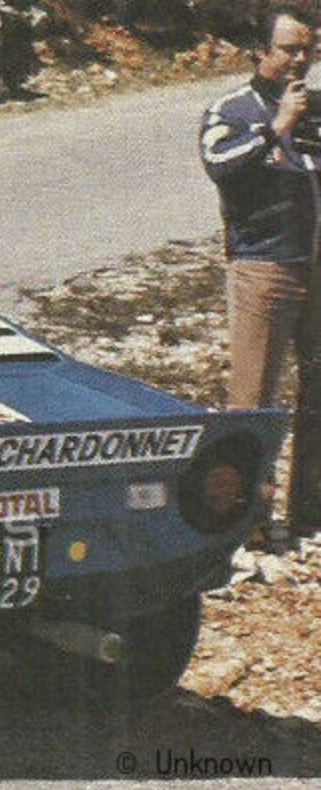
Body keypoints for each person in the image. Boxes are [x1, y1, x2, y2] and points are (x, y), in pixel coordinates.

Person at [199, 7, 320, 541]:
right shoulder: (233, 109)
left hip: (314, 266)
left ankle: (309, 513)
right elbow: (220, 165)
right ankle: (244, 522)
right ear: (261, 53)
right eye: (290, 49)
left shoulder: (315, 108)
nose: (300, 59)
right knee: (253, 400)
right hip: (264, 267)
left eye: (309, 49)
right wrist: (278, 128)